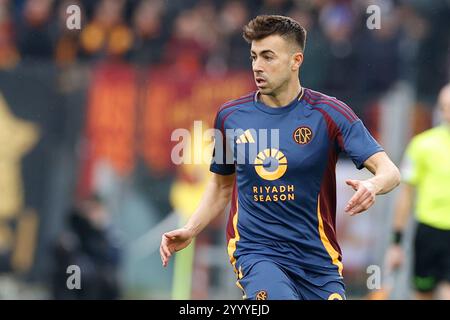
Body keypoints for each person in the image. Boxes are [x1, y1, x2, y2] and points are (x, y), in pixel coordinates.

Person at [160, 15, 400, 300]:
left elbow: (390, 172)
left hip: (317, 261)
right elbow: (222, 185)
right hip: (257, 253)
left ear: (295, 60)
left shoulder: (330, 114)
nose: (257, 66)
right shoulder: (231, 117)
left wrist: (373, 185)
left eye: (268, 57)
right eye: (253, 57)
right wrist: (190, 229)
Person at [386, 84, 450, 300]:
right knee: (423, 294)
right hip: (429, 234)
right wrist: (396, 243)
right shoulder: (422, 145)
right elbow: (405, 196)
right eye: (445, 106)